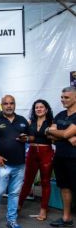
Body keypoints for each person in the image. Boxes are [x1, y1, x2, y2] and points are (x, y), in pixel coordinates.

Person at [0, 95, 29, 228]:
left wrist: (26, 139)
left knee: (14, 194)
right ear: (1, 105)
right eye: (6, 103)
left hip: (20, 164)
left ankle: (12, 220)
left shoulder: (22, 120)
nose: (9, 106)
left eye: (11, 103)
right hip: (3, 165)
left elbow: (29, 137)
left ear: (15, 104)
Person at [18, 99, 54, 221]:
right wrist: (23, 137)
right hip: (32, 153)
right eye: (36, 107)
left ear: (46, 109)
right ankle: (18, 206)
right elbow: (25, 136)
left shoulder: (51, 122)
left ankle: (43, 209)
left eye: (41, 107)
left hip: (46, 153)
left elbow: (54, 138)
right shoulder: (30, 122)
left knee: (45, 182)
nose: (38, 109)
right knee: (27, 181)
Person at [46, 86, 76, 227]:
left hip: (74, 158)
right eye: (62, 97)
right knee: (64, 187)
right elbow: (50, 135)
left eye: (66, 97)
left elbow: (61, 134)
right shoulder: (60, 115)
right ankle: (66, 218)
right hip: (61, 157)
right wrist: (67, 137)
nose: (63, 100)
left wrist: (61, 134)